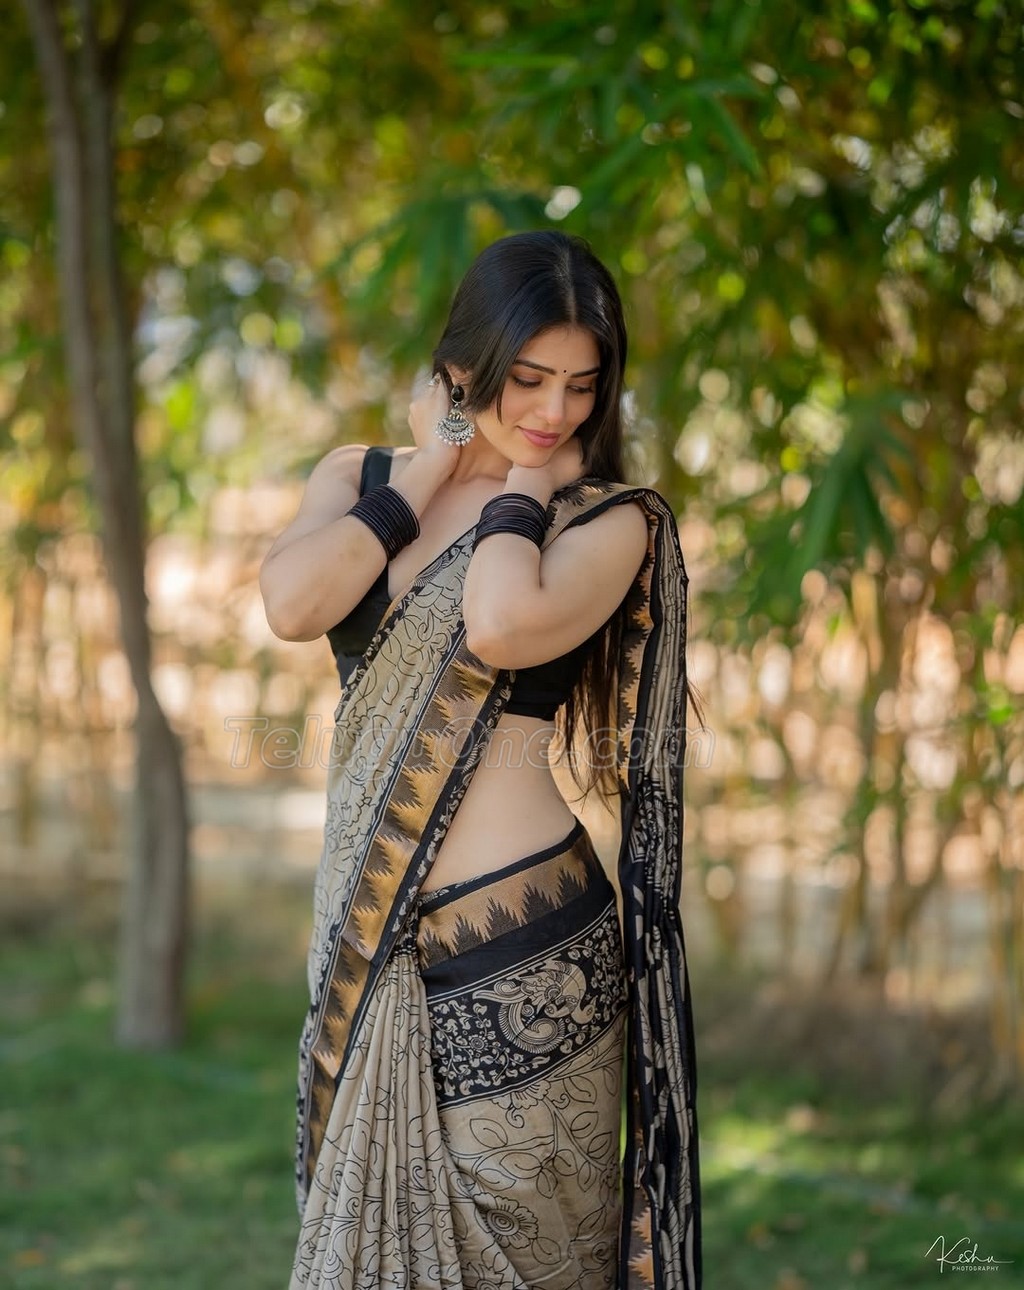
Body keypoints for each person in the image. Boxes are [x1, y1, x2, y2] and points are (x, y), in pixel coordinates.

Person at [259, 230, 701, 1290]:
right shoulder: (360, 477)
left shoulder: (607, 522)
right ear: (463, 366)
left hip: (526, 958)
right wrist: (426, 471)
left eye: (581, 387)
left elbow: (502, 625)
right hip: (365, 936)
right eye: (529, 379)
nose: (554, 411)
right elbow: (293, 603)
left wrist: (527, 484)